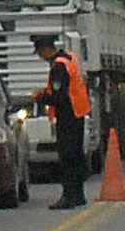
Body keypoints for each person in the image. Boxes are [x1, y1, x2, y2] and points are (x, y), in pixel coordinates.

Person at [31, 35, 91, 209]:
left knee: (67, 157)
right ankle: (79, 195)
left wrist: (40, 97)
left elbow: (59, 96)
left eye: (40, 53)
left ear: (46, 49)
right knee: (76, 156)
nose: (40, 57)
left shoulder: (58, 66)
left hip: (68, 116)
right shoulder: (70, 58)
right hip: (78, 112)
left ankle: (68, 197)